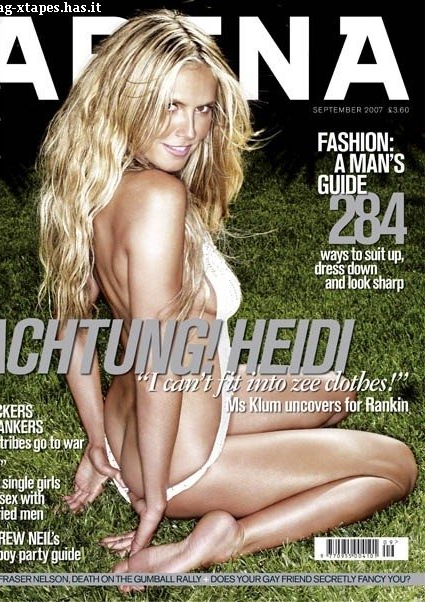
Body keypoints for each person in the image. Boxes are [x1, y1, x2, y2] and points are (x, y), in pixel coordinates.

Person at [38, 9, 417, 579]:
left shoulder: (99, 187)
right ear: (125, 99)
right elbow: (161, 362)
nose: (188, 130)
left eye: (203, 109)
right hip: (179, 457)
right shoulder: (159, 198)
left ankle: (164, 455)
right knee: (395, 466)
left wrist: (99, 443)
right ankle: (227, 537)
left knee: (334, 394)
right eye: (169, 105)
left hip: (138, 429)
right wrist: (157, 497)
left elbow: (70, 326)